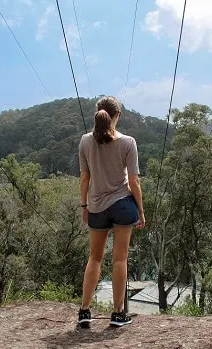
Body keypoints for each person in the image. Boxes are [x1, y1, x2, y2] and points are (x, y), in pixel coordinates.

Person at [77, 96, 145, 328]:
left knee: (94, 257)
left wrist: (84, 206)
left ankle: (85, 311)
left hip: (96, 206)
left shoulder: (85, 142)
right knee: (120, 259)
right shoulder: (128, 142)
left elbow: (85, 178)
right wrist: (141, 212)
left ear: (97, 113)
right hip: (124, 205)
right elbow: (134, 182)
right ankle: (118, 314)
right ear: (118, 116)